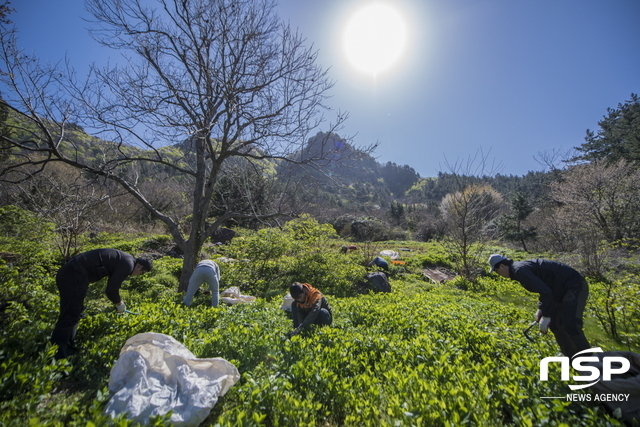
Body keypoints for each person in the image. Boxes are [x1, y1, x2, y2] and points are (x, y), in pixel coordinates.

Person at [51, 248, 152, 359]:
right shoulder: (128, 263)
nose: (138, 275)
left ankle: (68, 349)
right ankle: (57, 356)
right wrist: (119, 303)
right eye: (141, 273)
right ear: (140, 267)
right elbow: (111, 290)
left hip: (73, 273)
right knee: (69, 316)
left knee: (75, 313)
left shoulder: (125, 259)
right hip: (73, 274)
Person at [488, 254, 591, 357]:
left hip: (574, 286)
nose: (498, 274)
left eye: (496, 271)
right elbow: (545, 289)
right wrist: (541, 309)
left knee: (570, 324)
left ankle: (591, 361)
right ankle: (572, 358)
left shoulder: (519, 270)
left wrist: (546, 316)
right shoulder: (518, 270)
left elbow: (546, 292)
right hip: (559, 291)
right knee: (555, 324)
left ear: (502, 266)